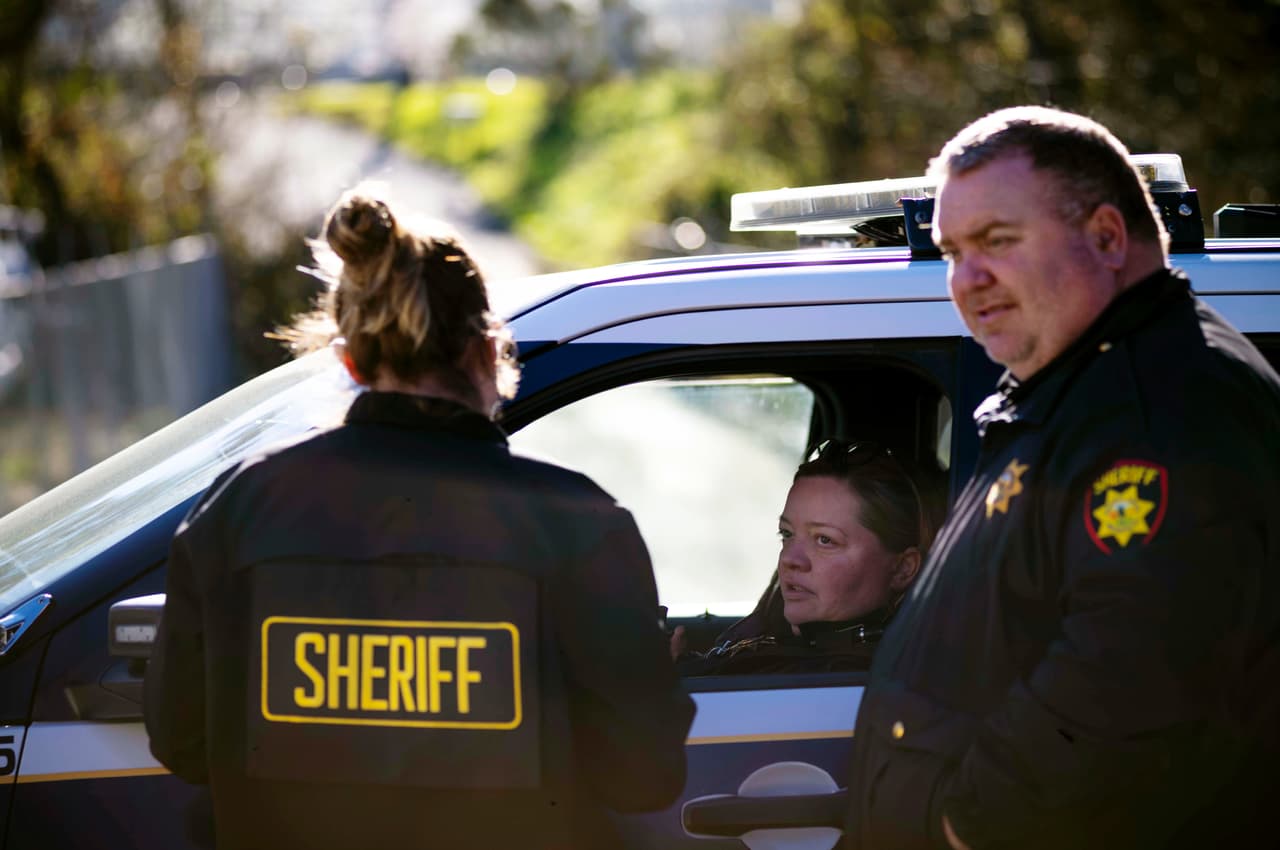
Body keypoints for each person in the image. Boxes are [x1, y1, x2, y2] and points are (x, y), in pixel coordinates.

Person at [144, 185, 695, 850]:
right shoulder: (577, 522)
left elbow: (182, 742)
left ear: (349, 359)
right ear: (488, 351)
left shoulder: (240, 508)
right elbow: (643, 777)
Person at [843, 106, 1280, 850]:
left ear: (1107, 238)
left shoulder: (1162, 407)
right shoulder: (1077, 386)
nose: (966, 280)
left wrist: (962, 825)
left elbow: (1127, 683)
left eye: (996, 241)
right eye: (952, 252)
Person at [675, 439, 934, 675]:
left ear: (902, 568)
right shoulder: (786, 644)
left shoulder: (852, 682)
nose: (790, 559)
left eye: (825, 540)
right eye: (787, 534)